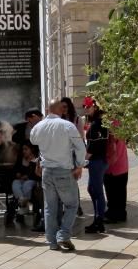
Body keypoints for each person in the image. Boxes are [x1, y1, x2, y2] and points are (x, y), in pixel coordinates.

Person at [31, 98, 87, 252]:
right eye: (62, 107)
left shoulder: (38, 126)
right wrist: (80, 164)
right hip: (63, 170)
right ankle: (63, 234)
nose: (64, 109)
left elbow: (33, 140)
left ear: (48, 109)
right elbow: (80, 147)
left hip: (47, 171)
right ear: (59, 108)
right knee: (72, 204)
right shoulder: (67, 126)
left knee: (50, 207)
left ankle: (52, 241)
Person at [83, 98, 109, 234]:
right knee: (92, 189)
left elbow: (93, 146)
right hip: (100, 161)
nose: (86, 109)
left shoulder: (96, 125)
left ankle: (99, 220)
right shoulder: (100, 123)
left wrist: (83, 160)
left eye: (88, 107)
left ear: (95, 108)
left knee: (97, 191)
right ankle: (98, 218)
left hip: (97, 161)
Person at [104, 132, 129, 224]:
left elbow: (110, 146)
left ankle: (113, 214)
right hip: (122, 163)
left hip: (112, 166)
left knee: (112, 191)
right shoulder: (122, 124)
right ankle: (121, 214)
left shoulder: (110, 126)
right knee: (121, 191)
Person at [12, 142, 41, 216]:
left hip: (32, 180)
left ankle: (23, 206)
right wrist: (18, 173)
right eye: (23, 149)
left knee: (27, 185)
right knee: (15, 183)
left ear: (31, 150)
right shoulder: (20, 159)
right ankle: (22, 200)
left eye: (26, 149)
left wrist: (27, 176)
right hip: (21, 179)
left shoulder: (36, 159)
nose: (24, 151)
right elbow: (16, 169)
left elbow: (37, 174)